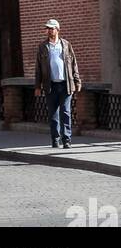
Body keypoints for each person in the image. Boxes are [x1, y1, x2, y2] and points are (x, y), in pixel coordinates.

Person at [34, 17, 82, 149]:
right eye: (48, 28)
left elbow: (73, 64)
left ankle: (67, 140)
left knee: (65, 112)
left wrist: (77, 81)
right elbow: (38, 68)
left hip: (65, 84)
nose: (49, 31)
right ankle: (55, 139)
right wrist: (37, 86)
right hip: (50, 85)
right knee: (53, 114)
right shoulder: (43, 47)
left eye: (52, 28)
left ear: (58, 29)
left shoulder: (66, 45)